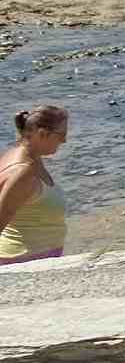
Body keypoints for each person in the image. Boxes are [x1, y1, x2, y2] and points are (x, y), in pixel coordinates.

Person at [0, 105, 70, 265]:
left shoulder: (30, 159)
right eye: (62, 135)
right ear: (42, 134)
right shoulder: (23, 173)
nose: (65, 140)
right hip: (23, 261)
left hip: (35, 256)